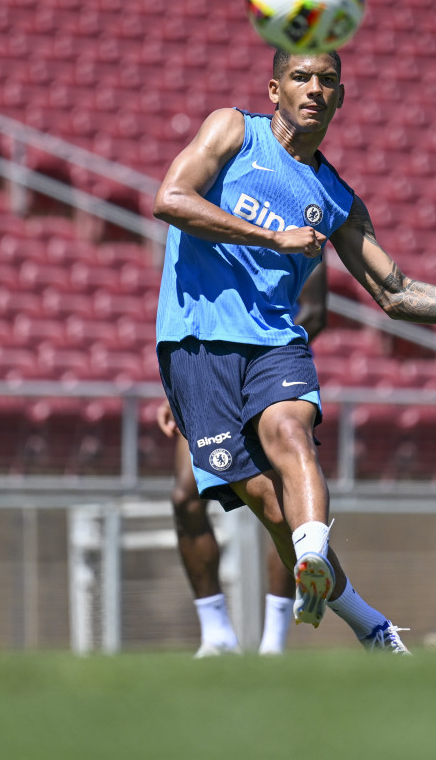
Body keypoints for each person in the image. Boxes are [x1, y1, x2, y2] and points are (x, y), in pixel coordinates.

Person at [152, 47, 436, 654]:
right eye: (300, 78)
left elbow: (396, 293)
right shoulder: (233, 130)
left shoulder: (337, 198)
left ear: (342, 97)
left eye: (328, 80)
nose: (314, 89)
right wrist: (272, 236)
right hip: (199, 343)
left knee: (290, 435)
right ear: (274, 90)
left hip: (275, 339)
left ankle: (311, 559)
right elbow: (171, 199)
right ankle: (368, 622)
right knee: (270, 505)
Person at [157, 265, 329, 657]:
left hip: (269, 378)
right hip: (211, 376)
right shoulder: (218, 232)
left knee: (283, 503)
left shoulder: (301, 230)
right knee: (185, 495)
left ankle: (275, 640)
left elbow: (315, 311)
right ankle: (216, 634)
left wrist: (259, 354)